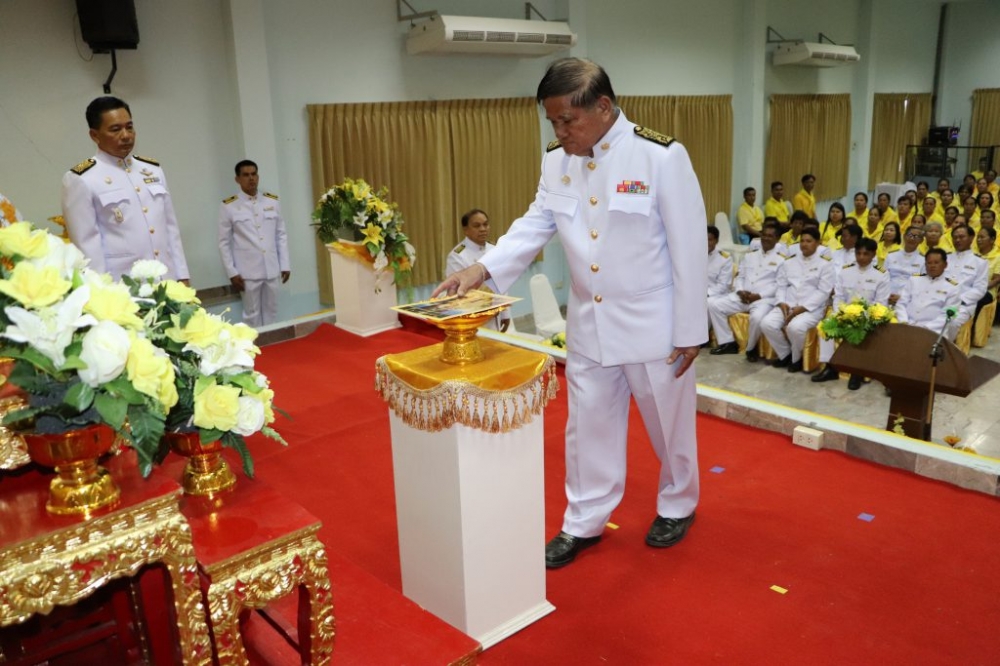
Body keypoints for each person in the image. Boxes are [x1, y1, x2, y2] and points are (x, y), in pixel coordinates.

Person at [432, 58, 708, 568]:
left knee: (669, 426)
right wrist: (481, 271)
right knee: (588, 428)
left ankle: (678, 502)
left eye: (568, 122)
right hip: (589, 325)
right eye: (553, 123)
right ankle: (584, 520)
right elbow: (534, 224)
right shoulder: (556, 161)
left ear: (603, 107)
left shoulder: (660, 157)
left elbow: (690, 248)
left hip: (655, 327)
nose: (560, 133)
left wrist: (691, 328)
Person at [61, 96, 190, 282]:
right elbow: (87, 246)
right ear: (95, 135)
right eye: (115, 129)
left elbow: (170, 228)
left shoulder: (152, 170)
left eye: (129, 127)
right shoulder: (81, 179)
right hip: (123, 289)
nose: (126, 135)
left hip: (166, 281)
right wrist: (102, 295)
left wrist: (182, 275)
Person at [218, 159, 291, 327]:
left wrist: (285, 264)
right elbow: (224, 242)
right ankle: (255, 349)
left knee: (272, 310)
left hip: (271, 267)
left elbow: (281, 234)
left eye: (254, 174)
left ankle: (272, 346)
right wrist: (232, 272)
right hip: (247, 271)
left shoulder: (272, 202)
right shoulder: (229, 206)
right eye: (246, 175)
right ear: (237, 179)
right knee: (252, 313)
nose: (251, 178)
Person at [812, 237, 890, 389]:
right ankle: (830, 368)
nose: (861, 257)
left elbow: (881, 302)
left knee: (861, 330)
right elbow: (839, 296)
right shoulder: (846, 271)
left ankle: (857, 372)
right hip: (844, 312)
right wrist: (839, 313)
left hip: (869, 316)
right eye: (858, 253)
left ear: (874, 255)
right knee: (826, 326)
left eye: (865, 254)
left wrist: (862, 317)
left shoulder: (881, 274)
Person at [760, 227, 835, 373]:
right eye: (802, 241)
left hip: (811, 309)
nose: (804, 244)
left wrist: (802, 308)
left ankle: (797, 358)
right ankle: (785, 354)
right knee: (766, 324)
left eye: (809, 241)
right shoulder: (789, 262)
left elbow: (823, 292)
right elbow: (781, 285)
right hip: (787, 304)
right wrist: (782, 302)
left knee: (795, 327)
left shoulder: (825, 264)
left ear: (818, 243)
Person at [708, 224, 783, 361]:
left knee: (757, 317)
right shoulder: (750, 256)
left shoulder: (782, 260)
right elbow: (740, 276)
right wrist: (740, 290)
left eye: (770, 236)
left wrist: (758, 296)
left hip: (763, 300)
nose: (765, 238)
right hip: (742, 296)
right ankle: (727, 342)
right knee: (714, 305)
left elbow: (778, 285)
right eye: (764, 235)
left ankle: (751, 348)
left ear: (777, 239)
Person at [445, 208, 510, 332]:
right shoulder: (457, 255)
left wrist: (505, 313)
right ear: (466, 230)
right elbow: (458, 293)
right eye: (477, 226)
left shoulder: (494, 250)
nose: (483, 229)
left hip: (495, 316)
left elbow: (503, 283)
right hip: (472, 319)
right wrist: (488, 310)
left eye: (485, 224)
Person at [895, 249, 961, 338]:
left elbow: (947, 316)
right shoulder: (914, 279)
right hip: (906, 326)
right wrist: (904, 321)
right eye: (929, 263)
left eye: (936, 263)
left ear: (945, 265)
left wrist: (925, 329)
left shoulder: (952, 286)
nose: (932, 266)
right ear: (925, 264)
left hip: (933, 332)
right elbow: (901, 303)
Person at [946, 224, 990, 337]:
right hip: (939, 299)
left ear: (971, 238)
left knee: (951, 323)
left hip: (962, 305)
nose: (957, 240)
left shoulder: (980, 262)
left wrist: (957, 300)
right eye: (955, 237)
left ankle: (944, 350)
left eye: (961, 237)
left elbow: (980, 289)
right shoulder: (944, 258)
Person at [884, 226, 925, 306]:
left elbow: (921, 285)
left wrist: (902, 297)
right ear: (904, 236)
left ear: (921, 240)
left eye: (916, 236)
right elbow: (883, 277)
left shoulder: (923, 260)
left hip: (909, 300)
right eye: (910, 235)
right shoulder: (891, 255)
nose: (912, 238)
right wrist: (887, 295)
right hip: (887, 296)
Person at [706, 225, 733, 299]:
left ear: (716, 241)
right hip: (697, 293)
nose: (706, 243)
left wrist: (706, 294)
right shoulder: (695, 255)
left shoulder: (725, 259)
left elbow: (723, 286)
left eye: (710, 240)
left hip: (715, 296)